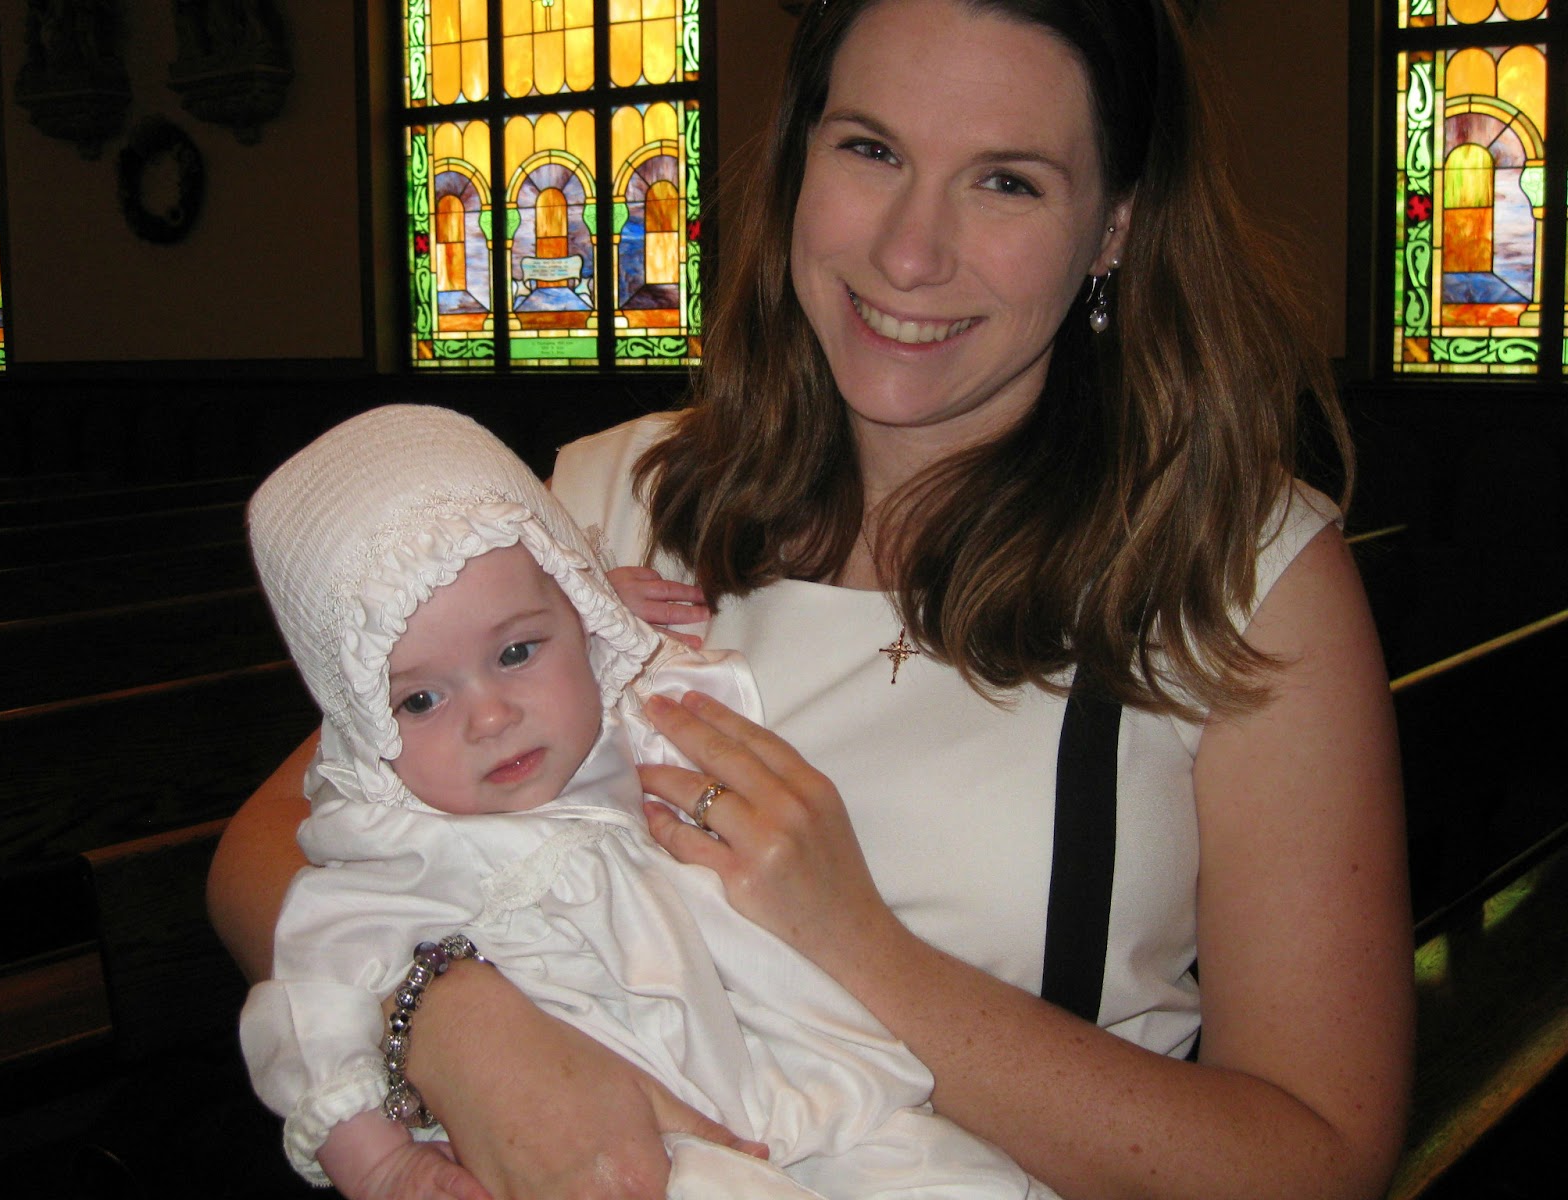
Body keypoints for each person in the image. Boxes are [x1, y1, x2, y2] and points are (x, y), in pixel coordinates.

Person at [209, 2, 1414, 1198]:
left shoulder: (1238, 571)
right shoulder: (593, 509)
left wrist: (854, 944)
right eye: (871, 149)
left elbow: (1316, 1162)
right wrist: (452, 1022)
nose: (908, 253)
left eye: (1006, 181)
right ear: (797, 158)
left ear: (1113, 228)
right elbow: (273, 852)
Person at [238, 404, 1038, 1200]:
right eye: (420, 701)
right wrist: (384, 1166)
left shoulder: (628, 730)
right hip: (597, 1146)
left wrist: (597, 621)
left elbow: (629, 663)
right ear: (360, 729)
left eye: (515, 652)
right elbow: (312, 1014)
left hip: (779, 1085)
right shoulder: (390, 857)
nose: (490, 717)